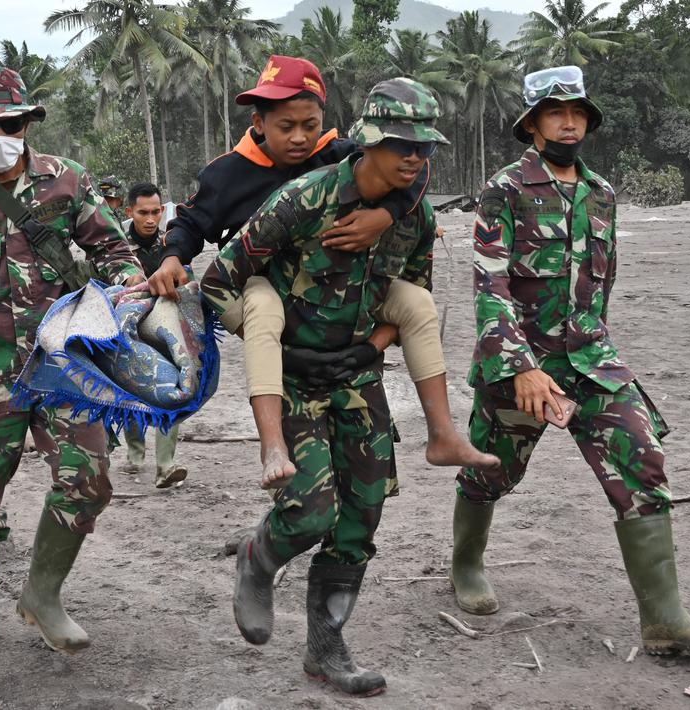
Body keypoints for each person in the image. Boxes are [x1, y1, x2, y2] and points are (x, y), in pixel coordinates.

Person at [454, 65, 690, 655]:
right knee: (494, 470)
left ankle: (664, 622)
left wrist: (595, 346)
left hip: (590, 361)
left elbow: (598, 291)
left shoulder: (602, 193)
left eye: (578, 112)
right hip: (520, 361)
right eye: (556, 112)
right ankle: (466, 564)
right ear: (532, 124)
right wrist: (519, 367)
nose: (569, 122)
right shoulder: (504, 188)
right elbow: (491, 282)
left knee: (643, 461)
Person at [200, 78, 451, 696]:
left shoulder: (413, 216)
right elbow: (219, 280)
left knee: (358, 522)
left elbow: (413, 295)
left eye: (424, 145)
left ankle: (326, 652)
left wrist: (370, 349)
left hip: (357, 380)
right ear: (367, 140)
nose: (414, 156)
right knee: (310, 511)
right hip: (294, 382)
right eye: (399, 143)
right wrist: (267, 334)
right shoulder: (303, 199)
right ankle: (258, 558)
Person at [148, 55, 492, 487]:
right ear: (258, 123)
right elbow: (192, 221)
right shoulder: (228, 172)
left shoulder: (341, 155)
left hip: (332, 285)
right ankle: (272, 445)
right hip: (261, 282)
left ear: (322, 121)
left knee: (417, 302)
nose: (298, 137)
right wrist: (172, 257)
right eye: (285, 127)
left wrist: (385, 214)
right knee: (264, 312)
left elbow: (410, 174)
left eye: (309, 125)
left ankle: (442, 433)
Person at [0, 67, 144, 670]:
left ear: (26, 124)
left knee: (90, 476)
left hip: (63, 365)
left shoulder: (66, 180)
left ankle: (42, 595)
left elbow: (113, 251)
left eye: (9, 123)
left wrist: (128, 289)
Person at [119, 182, 189, 488]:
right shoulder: (116, 248)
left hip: (164, 330)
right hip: (128, 330)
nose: (150, 219)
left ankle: (165, 466)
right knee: (132, 393)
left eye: (156, 212)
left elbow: (187, 282)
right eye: (143, 212)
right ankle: (135, 453)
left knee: (169, 391)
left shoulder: (170, 246)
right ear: (129, 211)